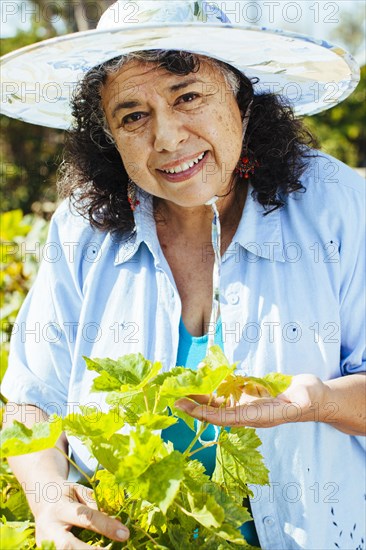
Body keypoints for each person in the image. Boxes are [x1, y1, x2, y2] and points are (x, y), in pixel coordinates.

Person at [1, 1, 365, 548]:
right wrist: (50, 499)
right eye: (133, 116)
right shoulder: (83, 230)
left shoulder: (340, 206)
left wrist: (319, 401)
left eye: (188, 96)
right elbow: (32, 400)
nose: (167, 138)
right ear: (109, 136)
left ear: (242, 100)